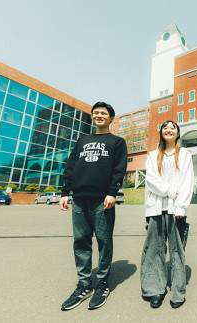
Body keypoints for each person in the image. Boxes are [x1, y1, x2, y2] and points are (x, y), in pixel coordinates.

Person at [59, 102, 127, 311]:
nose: (99, 115)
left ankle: (102, 283)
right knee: (81, 241)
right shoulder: (82, 141)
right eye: (96, 113)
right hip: (79, 199)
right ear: (92, 117)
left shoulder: (117, 142)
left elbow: (119, 168)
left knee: (104, 242)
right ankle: (84, 284)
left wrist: (112, 192)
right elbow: (70, 167)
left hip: (102, 200)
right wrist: (64, 192)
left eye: (103, 113)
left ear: (111, 118)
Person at [140, 120, 194, 309]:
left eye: (172, 128)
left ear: (178, 133)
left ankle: (178, 291)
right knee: (154, 249)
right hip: (156, 207)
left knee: (177, 251)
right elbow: (151, 180)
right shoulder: (153, 155)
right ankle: (155, 288)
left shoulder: (185, 154)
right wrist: (171, 191)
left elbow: (187, 182)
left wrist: (180, 206)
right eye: (165, 128)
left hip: (176, 209)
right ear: (161, 133)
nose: (169, 130)